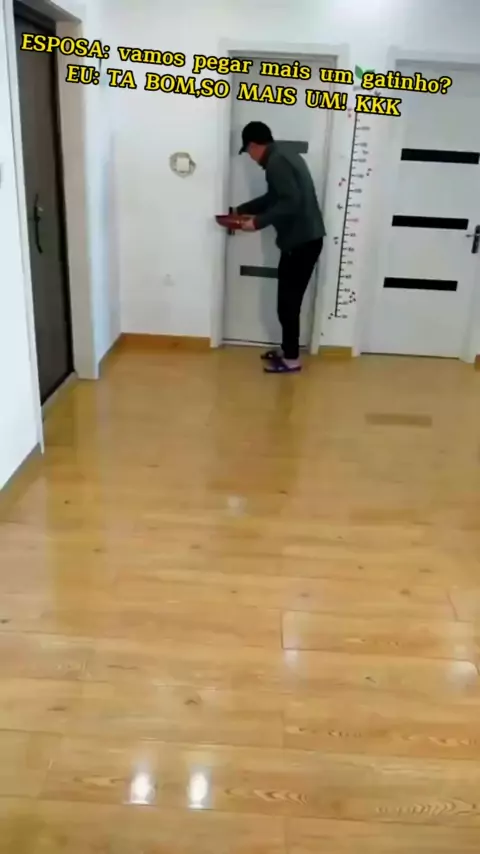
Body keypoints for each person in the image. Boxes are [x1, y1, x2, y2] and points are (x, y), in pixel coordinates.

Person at [234, 121, 325, 374]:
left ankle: (292, 359)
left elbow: (290, 202)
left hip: (301, 242)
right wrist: (242, 210)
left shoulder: (276, 163)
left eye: (248, 152)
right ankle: (288, 351)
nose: (251, 158)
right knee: (287, 301)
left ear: (254, 145)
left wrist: (257, 223)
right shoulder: (284, 155)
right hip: (304, 240)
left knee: (288, 302)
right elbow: (274, 198)